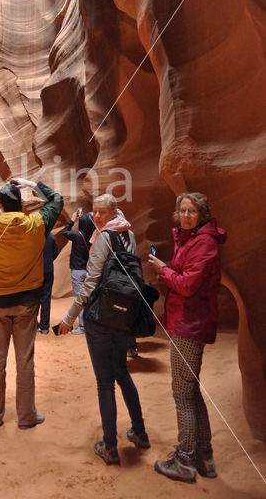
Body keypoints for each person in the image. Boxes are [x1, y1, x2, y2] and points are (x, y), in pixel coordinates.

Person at [57, 194, 149, 465]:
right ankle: (140, 433)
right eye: (94, 212)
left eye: (102, 212)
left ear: (113, 212)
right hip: (124, 317)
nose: (97, 217)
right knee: (122, 373)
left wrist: (69, 317)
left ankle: (110, 447)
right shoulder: (128, 234)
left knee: (104, 382)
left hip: (101, 318)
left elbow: (90, 282)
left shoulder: (104, 238)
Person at [149, 192, 226, 483]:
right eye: (182, 210)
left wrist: (163, 269)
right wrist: (169, 268)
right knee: (190, 391)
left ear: (203, 214)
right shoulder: (191, 239)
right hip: (186, 321)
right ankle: (204, 456)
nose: (186, 215)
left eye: (192, 211)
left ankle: (184, 461)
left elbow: (187, 285)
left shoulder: (203, 242)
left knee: (182, 394)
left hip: (189, 325)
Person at [0, 178, 63, 429]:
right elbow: (56, 200)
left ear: (0, 204)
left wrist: (7, 206)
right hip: (27, 303)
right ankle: (26, 416)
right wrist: (31, 183)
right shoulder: (36, 225)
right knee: (24, 359)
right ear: (23, 203)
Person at [61, 210, 95, 334]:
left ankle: (82, 327)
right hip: (89, 270)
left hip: (77, 271)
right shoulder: (93, 236)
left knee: (79, 299)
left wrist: (72, 220)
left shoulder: (77, 235)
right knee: (88, 298)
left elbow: (64, 232)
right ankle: (91, 324)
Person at [37, 232, 59, 334]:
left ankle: (33, 324)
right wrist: (49, 260)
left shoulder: (33, 236)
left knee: (34, 298)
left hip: (35, 271)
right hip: (48, 269)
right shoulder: (51, 236)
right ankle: (45, 327)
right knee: (46, 298)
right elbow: (56, 252)